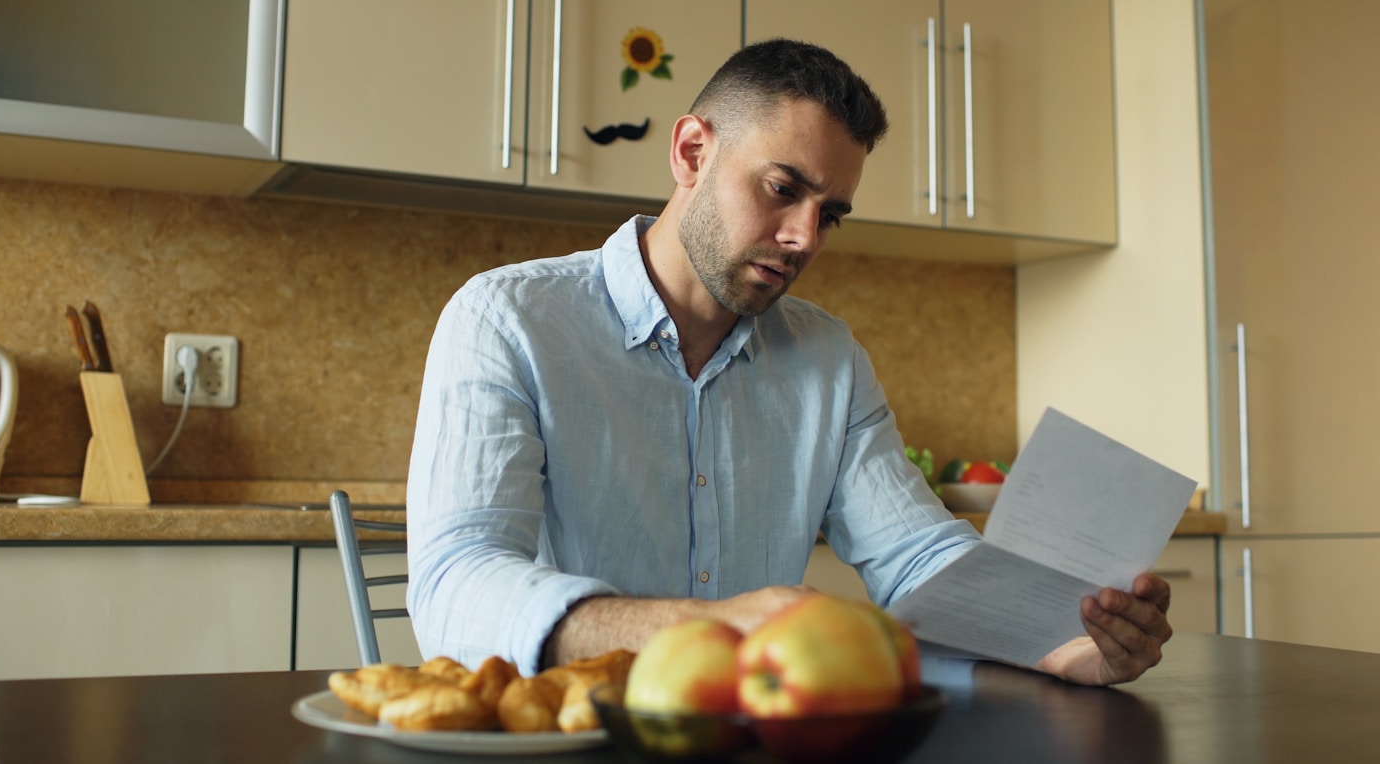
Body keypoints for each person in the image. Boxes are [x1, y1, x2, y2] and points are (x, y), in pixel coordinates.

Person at [405, 38, 1172, 687]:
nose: (806, 237)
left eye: (829, 213)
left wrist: (1058, 641)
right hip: (573, 738)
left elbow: (915, 555)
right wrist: (702, 626)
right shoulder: (507, 319)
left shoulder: (828, 359)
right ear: (692, 152)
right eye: (782, 189)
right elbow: (454, 587)